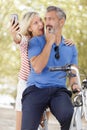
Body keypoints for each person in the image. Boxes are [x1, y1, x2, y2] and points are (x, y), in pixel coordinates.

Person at [10, 10, 75, 130]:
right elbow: (18, 39)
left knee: (43, 124)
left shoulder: (48, 40)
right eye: (35, 23)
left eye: (40, 20)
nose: (40, 24)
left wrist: (68, 42)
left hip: (45, 87)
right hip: (26, 86)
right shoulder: (27, 41)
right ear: (29, 28)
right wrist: (14, 34)